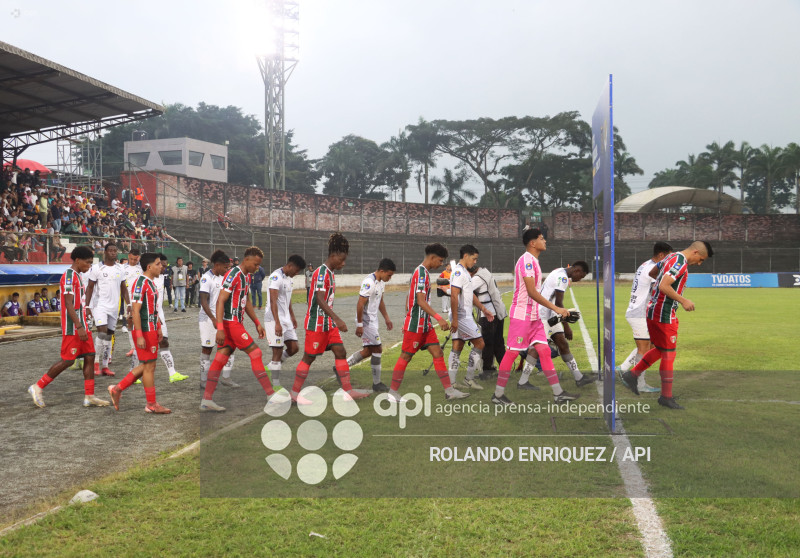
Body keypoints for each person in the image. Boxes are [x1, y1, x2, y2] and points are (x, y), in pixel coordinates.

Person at [621, 241, 714, 410]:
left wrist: (660, 289)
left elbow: (652, 272)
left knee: (661, 349)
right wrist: (683, 299)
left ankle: (632, 374)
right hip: (663, 314)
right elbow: (664, 285)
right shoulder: (680, 262)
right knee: (669, 354)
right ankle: (666, 397)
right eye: (701, 259)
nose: (699, 263)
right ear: (695, 252)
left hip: (652, 311)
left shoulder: (670, 257)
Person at [493, 228, 573, 406]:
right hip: (522, 315)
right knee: (513, 353)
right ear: (532, 243)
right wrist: (555, 308)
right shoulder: (527, 261)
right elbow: (531, 292)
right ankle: (498, 395)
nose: (545, 241)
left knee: (544, 351)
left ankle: (558, 393)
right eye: (542, 238)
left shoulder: (534, 261)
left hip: (534, 316)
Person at [291, 233, 371, 402]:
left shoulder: (330, 273)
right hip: (316, 323)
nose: (343, 263)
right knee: (309, 357)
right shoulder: (321, 273)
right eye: (341, 260)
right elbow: (320, 299)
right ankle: (294, 394)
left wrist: (333, 321)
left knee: (340, 351)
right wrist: (338, 319)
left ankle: (348, 391)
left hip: (327, 323)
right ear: (333, 256)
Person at [28, 245, 110, 408]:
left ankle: (89, 396)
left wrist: (85, 316)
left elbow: (78, 303)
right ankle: (37, 386)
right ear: (78, 260)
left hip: (82, 325)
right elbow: (68, 303)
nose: (89, 266)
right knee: (67, 360)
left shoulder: (78, 276)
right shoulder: (68, 276)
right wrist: (79, 326)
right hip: (73, 328)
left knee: (90, 356)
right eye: (87, 263)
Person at [200, 246, 278, 412]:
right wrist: (220, 328)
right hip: (230, 323)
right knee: (256, 353)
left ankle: (206, 400)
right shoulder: (233, 274)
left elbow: (247, 301)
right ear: (247, 259)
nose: (257, 268)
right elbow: (220, 300)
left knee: (220, 359)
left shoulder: (246, 276)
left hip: (236, 323)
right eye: (256, 264)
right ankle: (271, 395)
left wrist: (257, 322)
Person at [388, 243, 469, 402]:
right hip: (416, 326)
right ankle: (392, 393)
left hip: (425, 325)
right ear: (432, 258)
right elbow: (420, 300)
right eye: (439, 261)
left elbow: (410, 297)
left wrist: (410, 313)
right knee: (406, 356)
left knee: (438, 353)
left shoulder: (421, 272)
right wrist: (438, 317)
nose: (440, 265)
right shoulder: (421, 273)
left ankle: (449, 391)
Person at [107, 252, 171, 414]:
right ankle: (151, 404)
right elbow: (135, 310)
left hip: (150, 328)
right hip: (143, 330)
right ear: (149, 267)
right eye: (158, 264)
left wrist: (158, 327)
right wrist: (140, 335)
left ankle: (117, 389)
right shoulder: (140, 283)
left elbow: (152, 310)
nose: (161, 266)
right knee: (149, 367)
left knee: (148, 365)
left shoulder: (150, 283)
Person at [520, 261, 595, 389]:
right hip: (542, 315)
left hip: (551, 314)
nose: (579, 279)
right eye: (581, 276)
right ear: (577, 270)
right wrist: (566, 326)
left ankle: (579, 378)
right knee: (537, 348)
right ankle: (523, 381)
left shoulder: (558, 271)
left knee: (562, 343)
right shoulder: (563, 278)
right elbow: (559, 303)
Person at [617, 242, 674, 393]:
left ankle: (622, 368)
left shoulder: (645, 264)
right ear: (661, 255)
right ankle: (639, 384)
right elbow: (661, 288)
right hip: (640, 312)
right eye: (668, 257)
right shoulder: (652, 269)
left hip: (638, 311)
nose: (669, 261)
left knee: (651, 346)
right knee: (644, 348)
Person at [448, 245, 495, 391]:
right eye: (474, 259)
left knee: (458, 345)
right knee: (480, 343)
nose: (475, 262)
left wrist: (483, 309)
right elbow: (454, 295)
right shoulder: (458, 273)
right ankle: (469, 379)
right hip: (462, 316)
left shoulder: (465, 273)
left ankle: (452, 382)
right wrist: (455, 319)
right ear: (466, 256)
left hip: (462, 315)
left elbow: (470, 294)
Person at [345, 258, 396, 392]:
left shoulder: (381, 283)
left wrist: (386, 318)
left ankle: (342, 367)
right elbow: (360, 304)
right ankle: (377, 383)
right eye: (389, 275)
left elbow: (381, 301)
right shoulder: (369, 282)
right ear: (381, 271)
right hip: (366, 321)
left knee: (368, 351)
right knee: (378, 349)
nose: (389, 278)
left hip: (373, 320)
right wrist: (360, 324)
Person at [85, 242, 130, 377]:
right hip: (100, 306)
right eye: (110, 250)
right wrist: (87, 306)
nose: (113, 253)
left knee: (109, 335)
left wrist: (129, 304)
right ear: (105, 252)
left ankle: (105, 366)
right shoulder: (97, 268)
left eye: (115, 250)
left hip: (114, 307)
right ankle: (96, 363)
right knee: (102, 333)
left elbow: (124, 288)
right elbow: (90, 287)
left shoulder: (120, 269)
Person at [264, 255, 306, 388]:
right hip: (273, 318)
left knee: (294, 348)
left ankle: (271, 366)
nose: (297, 273)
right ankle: (275, 386)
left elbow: (287, 300)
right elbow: (273, 301)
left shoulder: (289, 279)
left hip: (286, 319)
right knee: (277, 351)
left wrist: (292, 316)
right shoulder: (276, 277)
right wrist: (277, 322)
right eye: (297, 270)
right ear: (290, 266)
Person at [198, 250, 236, 388]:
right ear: (217, 265)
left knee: (229, 347)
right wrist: (213, 318)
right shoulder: (206, 278)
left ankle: (226, 377)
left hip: (222, 318)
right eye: (225, 267)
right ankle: (203, 380)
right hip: (208, 319)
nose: (227, 270)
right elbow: (203, 301)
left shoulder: (224, 278)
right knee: (207, 349)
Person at [153, 254, 188, 382]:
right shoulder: (146, 279)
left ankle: (172, 373)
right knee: (143, 347)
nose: (164, 267)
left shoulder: (162, 277)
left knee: (164, 341)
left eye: (165, 265)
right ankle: (133, 372)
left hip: (159, 314)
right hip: (149, 316)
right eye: (161, 265)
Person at [471, 265, 507, 379]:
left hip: (489, 315)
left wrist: (447, 289)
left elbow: (464, 290)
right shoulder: (486, 273)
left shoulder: (477, 278)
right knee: (498, 343)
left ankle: (487, 371)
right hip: (498, 312)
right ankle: (504, 370)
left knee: (487, 344)